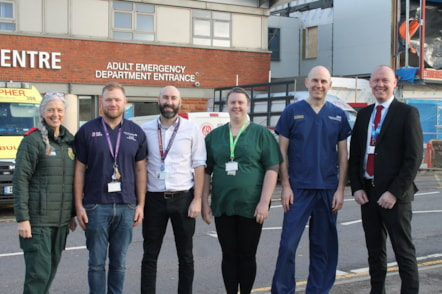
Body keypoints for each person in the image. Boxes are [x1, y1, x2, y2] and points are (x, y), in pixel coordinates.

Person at [271, 65, 352, 294]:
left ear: (329, 85)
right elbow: (282, 152)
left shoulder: (338, 115)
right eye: (315, 80)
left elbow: (343, 155)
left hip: (327, 190)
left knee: (323, 248)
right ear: (307, 83)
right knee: (287, 246)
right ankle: (283, 290)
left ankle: (318, 290)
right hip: (298, 190)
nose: (319, 85)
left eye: (323, 81)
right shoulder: (292, 112)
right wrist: (285, 186)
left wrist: (340, 189)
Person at [348, 65, 423, 294]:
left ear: (394, 84)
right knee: (375, 251)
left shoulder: (407, 113)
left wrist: (394, 192)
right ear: (370, 83)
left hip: (394, 197)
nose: (380, 84)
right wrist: (357, 188)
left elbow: (414, 158)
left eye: (385, 80)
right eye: (376, 80)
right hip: (368, 195)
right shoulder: (363, 114)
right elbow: (357, 155)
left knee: (403, 251)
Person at [202, 87, 282, 294]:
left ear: (248, 106)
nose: (236, 106)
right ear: (227, 106)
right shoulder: (215, 136)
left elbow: (272, 168)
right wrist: (203, 201)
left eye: (240, 102)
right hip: (223, 205)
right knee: (228, 254)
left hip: (252, 206)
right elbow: (206, 171)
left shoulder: (261, 134)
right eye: (233, 102)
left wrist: (265, 202)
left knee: (247, 255)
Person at [74, 82, 147, 294]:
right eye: (108, 99)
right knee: (96, 263)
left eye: (117, 99)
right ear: (101, 102)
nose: (113, 104)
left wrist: (141, 204)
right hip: (96, 206)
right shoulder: (87, 131)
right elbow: (79, 171)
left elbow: (141, 170)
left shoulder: (136, 132)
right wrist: (79, 206)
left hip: (126, 206)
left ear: (125, 102)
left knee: (119, 263)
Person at [140, 85, 206, 294]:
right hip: (154, 199)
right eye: (165, 98)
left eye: (173, 98)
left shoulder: (191, 129)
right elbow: (140, 167)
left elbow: (199, 165)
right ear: (158, 100)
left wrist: (197, 200)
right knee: (150, 255)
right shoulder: (145, 129)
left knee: (185, 256)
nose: (169, 102)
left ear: (179, 102)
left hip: (183, 198)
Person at [13, 92, 76, 294]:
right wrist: (23, 219)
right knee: (37, 277)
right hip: (38, 223)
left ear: (64, 112)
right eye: (50, 110)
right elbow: (20, 180)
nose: (55, 114)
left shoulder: (69, 142)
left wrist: (72, 213)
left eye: (59, 110)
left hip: (61, 222)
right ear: (42, 112)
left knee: (48, 273)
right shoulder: (32, 141)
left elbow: (71, 180)